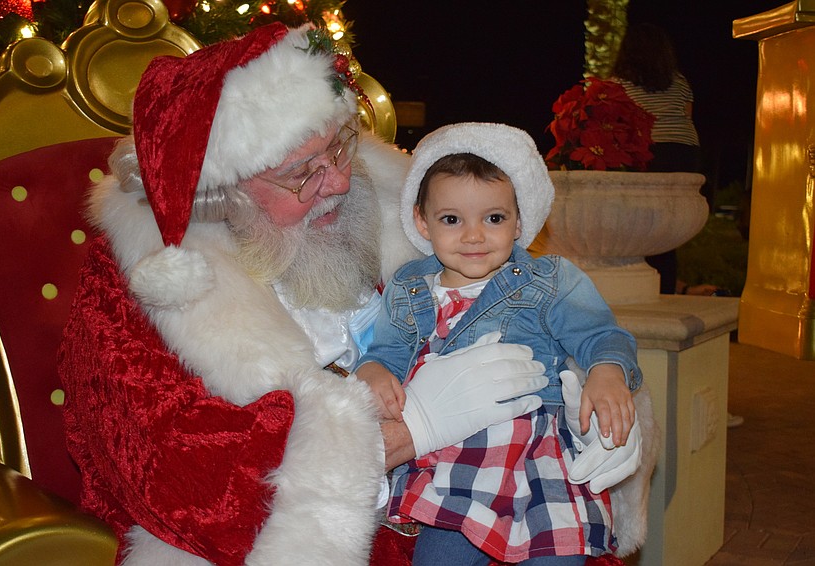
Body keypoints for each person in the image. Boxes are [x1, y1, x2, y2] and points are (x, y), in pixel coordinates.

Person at [57, 23, 555, 566]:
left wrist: (578, 404)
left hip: (468, 499)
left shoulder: (411, 211)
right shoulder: (141, 284)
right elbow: (178, 474)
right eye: (300, 175)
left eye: (339, 149)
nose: (338, 183)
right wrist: (407, 432)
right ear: (223, 196)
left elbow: (525, 305)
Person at [355, 123, 644, 565]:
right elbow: (387, 353)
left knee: (556, 555)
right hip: (452, 466)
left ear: (519, 221)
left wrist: (606, 372)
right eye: (452, 219)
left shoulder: (549, 280)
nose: (473, 236)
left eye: (493, 218)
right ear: (421, 221)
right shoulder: (408, 286)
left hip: (538, 459)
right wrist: (374, 370)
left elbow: (602, 335)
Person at [611, 22, 700, 295]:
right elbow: (687, 116)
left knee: (644, 227)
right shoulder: (680, 81)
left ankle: (647, 288)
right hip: (684, 152)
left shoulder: (619, 85)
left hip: (649, 151)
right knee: (666, 229)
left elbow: (617, 126)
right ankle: (667, 288)